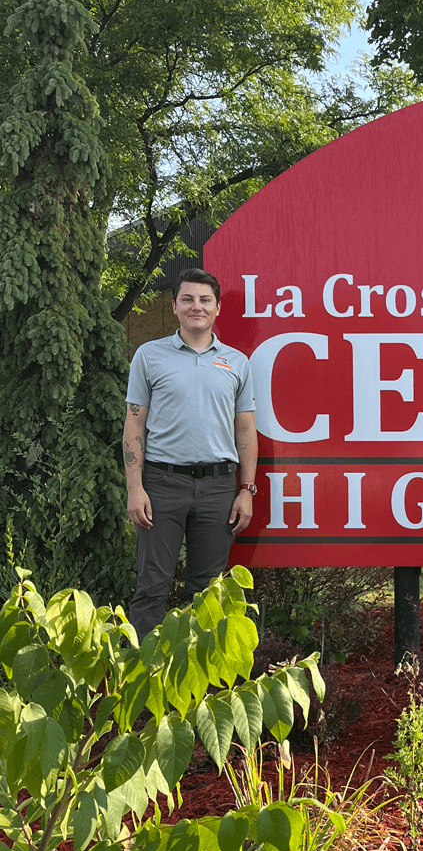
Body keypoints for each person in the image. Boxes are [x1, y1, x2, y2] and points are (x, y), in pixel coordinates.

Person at [123, 267, 257, 640]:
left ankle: (198, 686)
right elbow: (134, 426)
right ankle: (141, 682)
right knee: (152, 585)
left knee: (207, 590)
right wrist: (135, 487)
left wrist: (246, 490)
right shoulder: (149, 357)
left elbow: (245, 430)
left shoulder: (236, 363)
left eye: (204, 300)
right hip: (161, 484)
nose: (196, 306)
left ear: (216, 310)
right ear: (175, 306)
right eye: (187, 299)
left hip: (218, 489)